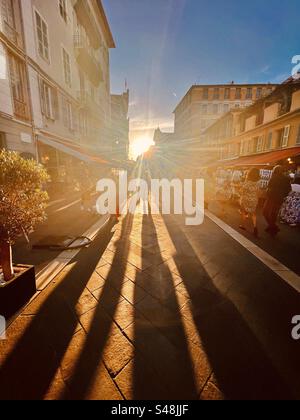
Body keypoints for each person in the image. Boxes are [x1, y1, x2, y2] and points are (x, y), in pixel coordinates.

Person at [263, 165, 291, 236]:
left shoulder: (274, 177)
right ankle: (272, 227)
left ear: (275, 171)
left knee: (265, 212)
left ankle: (273, 226)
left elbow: (269, 187)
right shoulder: (286, 178)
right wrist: (283, 195)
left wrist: (267, 193)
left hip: (271, 197)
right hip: (280, 198)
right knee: (274, 213)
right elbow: (289, 189)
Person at [239, 168, 261, 237]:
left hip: (245, 199)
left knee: (243, 211)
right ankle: (255, 227)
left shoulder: (247, 182)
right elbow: (259, 192)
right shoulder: (258, 182)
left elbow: (241, 191)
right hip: (254, 199)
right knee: (253, 213)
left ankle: (243, 225)